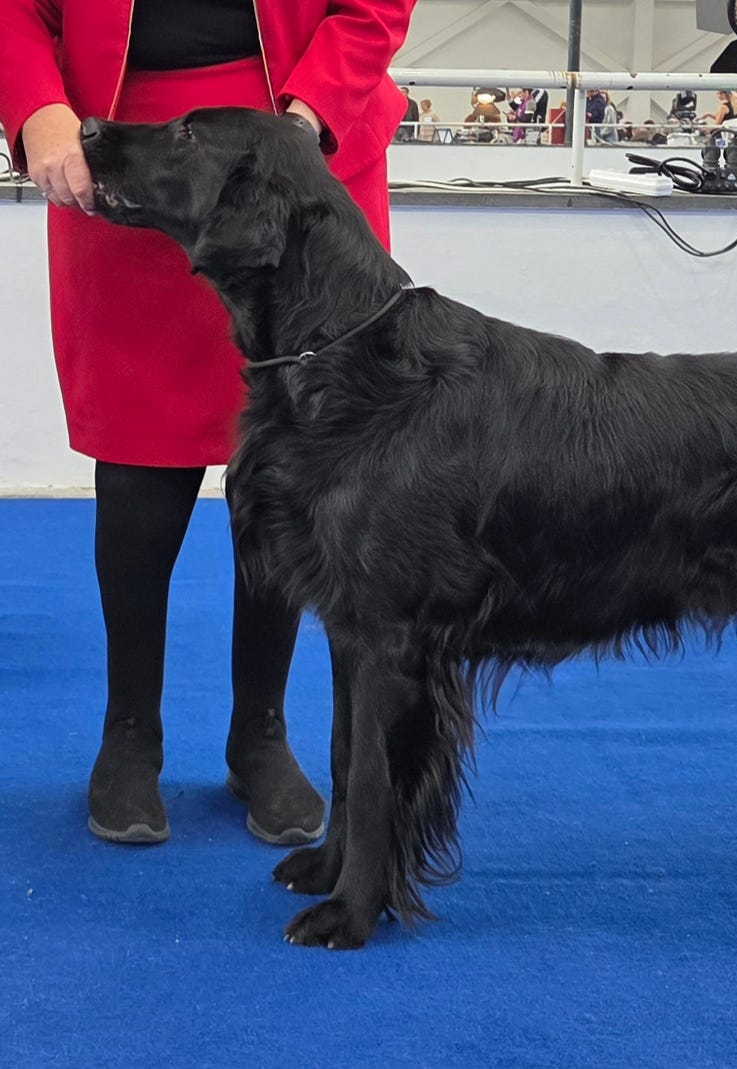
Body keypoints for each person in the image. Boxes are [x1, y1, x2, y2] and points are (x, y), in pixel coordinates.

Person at [0, 0, 415, 845]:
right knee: (135, 453)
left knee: (289, 461)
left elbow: (374, 4)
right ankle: (129, 735)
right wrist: (36, 109)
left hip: (299, 141)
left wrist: (302, 126)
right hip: (128, 148)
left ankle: (259, 732)